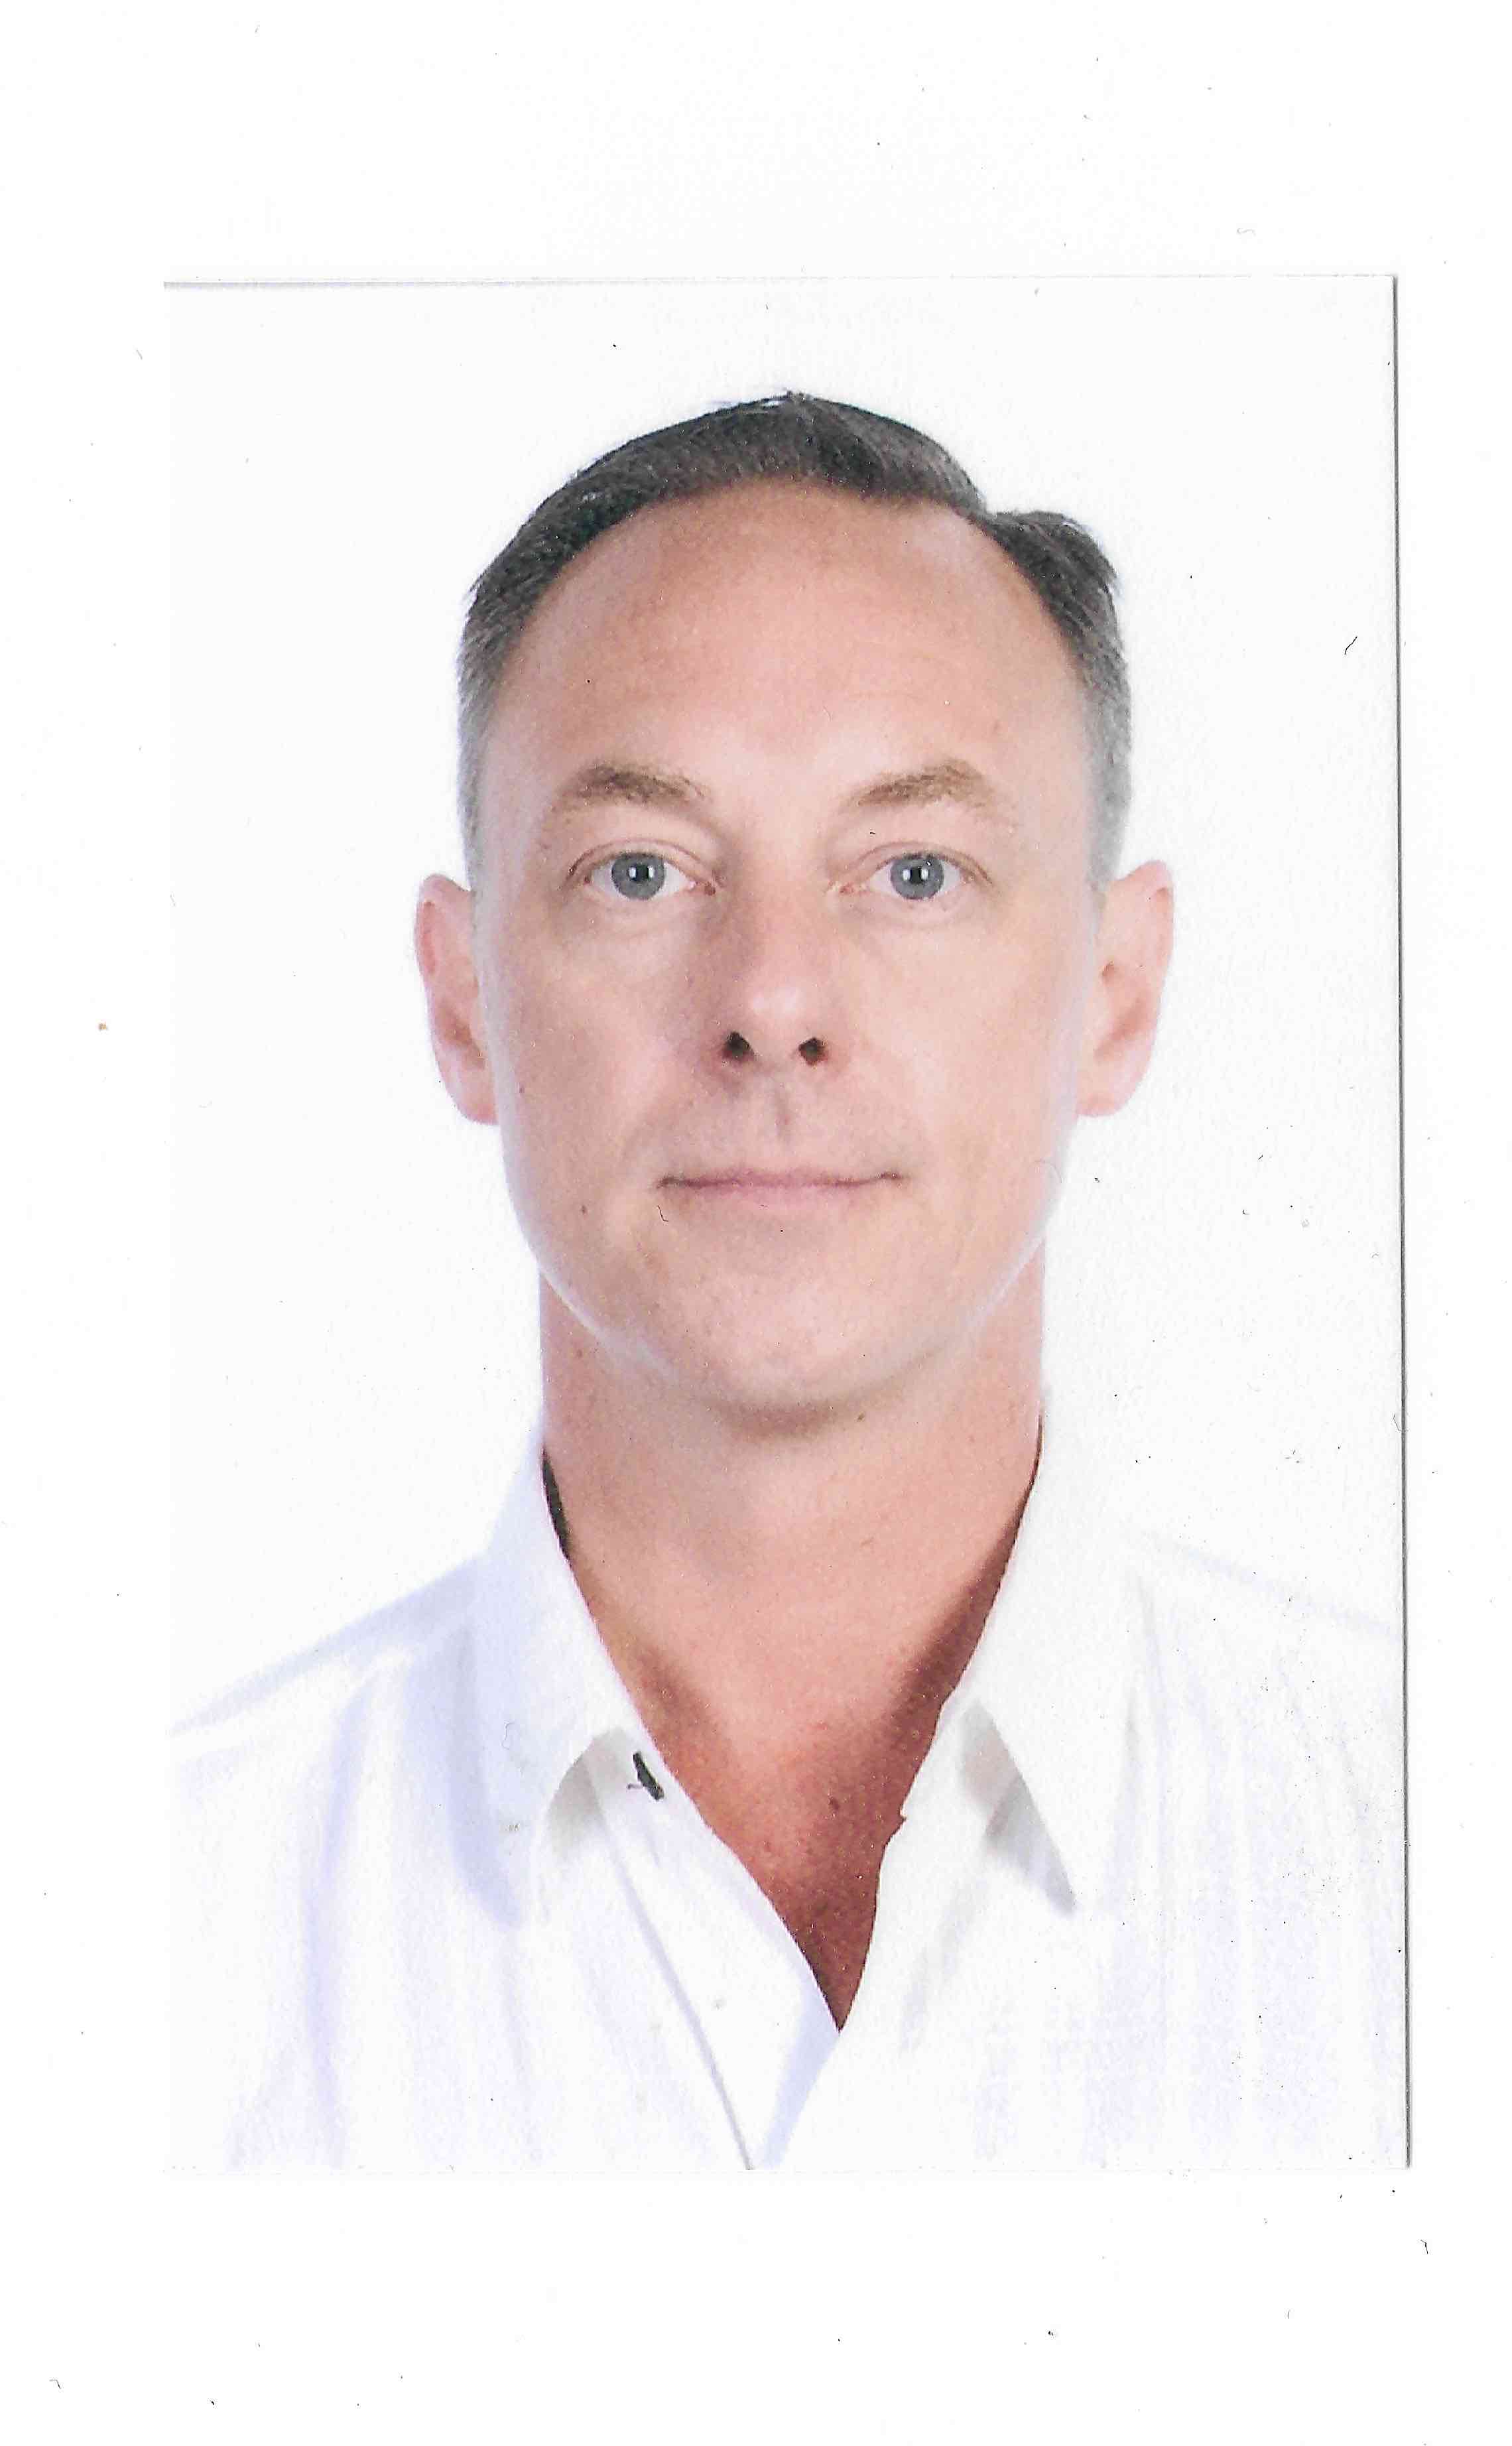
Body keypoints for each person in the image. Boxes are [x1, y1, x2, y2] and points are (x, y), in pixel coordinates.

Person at [172, 393, 1403, 2173]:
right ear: (463, 1000)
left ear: (1116, 993)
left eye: (914, 873)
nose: (771, 1000)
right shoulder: (146, 1937)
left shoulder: (1426, 1855)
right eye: (641, 873)